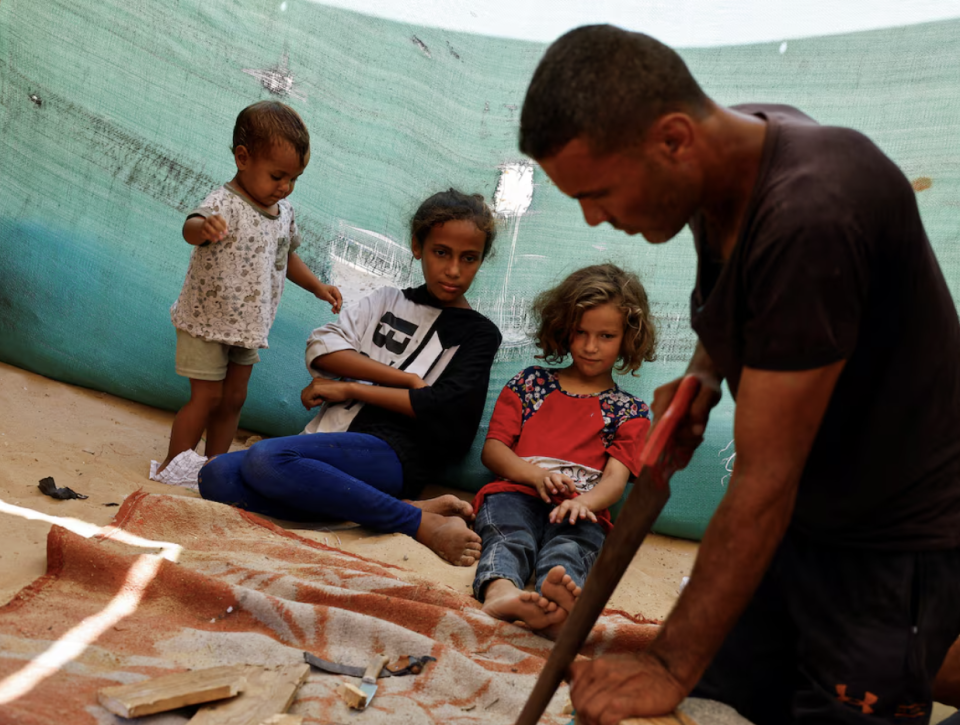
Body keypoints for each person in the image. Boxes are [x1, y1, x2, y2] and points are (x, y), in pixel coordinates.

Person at [518, 24, 960, 725]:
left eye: (599, 191)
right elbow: (744, 294)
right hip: (803, 523)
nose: (593, 216)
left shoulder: (813, 213)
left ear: (672, 139)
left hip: (893, 539)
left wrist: (668, 661)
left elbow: (765, 479)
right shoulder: (731, 160)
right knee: (722, 701)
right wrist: (705, 369)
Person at [199, 189, 502, 566]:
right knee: (214, 476)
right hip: (331, 441)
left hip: (392, 455)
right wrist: (401, 379)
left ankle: (416, 522)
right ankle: (392, 508)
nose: (454, 270)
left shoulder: (479, 334)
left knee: (264, 459)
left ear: (480, 261)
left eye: (468, 258)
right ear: (417, 246)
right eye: (441, 252)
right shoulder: (387, 301)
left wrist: (346, 386)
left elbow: (445, 411)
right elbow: (323, 347)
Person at [151, 100, 342, 485]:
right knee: (207, 398)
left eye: (293, 179)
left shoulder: (283, 212)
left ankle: (215, 467)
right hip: (206, 321)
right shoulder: (224, 203)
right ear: (242, 158)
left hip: (248, 327)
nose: (285, 187)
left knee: (234, 399)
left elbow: (287, 258)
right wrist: (202, 228)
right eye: (277, 176)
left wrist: (318, 286)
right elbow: (192, 225)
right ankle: (173, 468)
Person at [471, 264, 655, 636]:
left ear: (628, 339)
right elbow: (493, 451)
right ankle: (500, 592)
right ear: (562, 326)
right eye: (581, 332)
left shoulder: (631, 411)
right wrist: (535, 475)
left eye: (606, 335)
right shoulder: (530, 383)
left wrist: (583, 504)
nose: (590, 346)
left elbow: (615, 481)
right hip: (515, 493)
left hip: (580, 508)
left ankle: (559, 608)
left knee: (572, 548)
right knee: (508, 535)